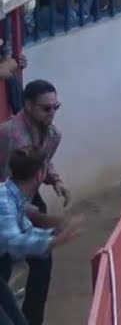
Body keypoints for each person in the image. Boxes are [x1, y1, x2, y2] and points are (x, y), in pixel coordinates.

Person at [0, 81, 71, 325]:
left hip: (21, 197)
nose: (52, 113)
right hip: (8, 196)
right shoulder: (7, 135)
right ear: (28, 105)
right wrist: (53, 237)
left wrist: (55, 181)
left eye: (55, 107)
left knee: (40, 262)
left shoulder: (52, 135)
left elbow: (43, 162)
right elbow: (16, 240)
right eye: (46, 108)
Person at [0, 148, 81, 325]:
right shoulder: (5, 200)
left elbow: (25, 230)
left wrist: (53, 233)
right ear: (39, 175)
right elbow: (15, 242)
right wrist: (54, 241)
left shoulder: (11, 195)